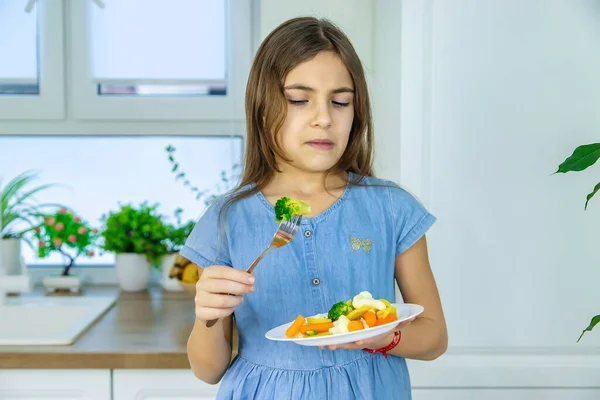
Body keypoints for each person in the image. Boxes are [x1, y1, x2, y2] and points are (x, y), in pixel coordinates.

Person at [180, 16, 448, 400]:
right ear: (262, 108)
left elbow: (435, 337)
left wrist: (380, 335)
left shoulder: (391, 208)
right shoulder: (226, 220)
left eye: (340, 101)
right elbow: (208, 370)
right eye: (299, 100)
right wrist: (208, 315)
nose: (324, 118)